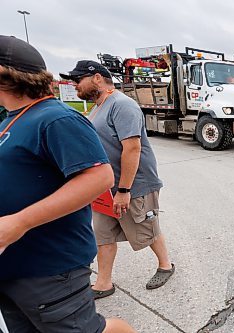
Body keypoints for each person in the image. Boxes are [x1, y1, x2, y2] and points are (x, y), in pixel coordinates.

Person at [0, 36, 135, 332]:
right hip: (13, 267)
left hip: (48, 267)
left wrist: (18, 222)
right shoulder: (11, 121)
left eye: (78, 80)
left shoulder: (54, 117)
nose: (74, 85)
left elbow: (101, 175)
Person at [61, 60, 175, 299]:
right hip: (105, 187)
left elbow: (132, 148)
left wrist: (124, 189)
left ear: (97, 78)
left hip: (134, 185)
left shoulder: (122, 105)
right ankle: (103, 283)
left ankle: (166, 265)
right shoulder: (97, 106)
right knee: (103, 234)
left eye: (77, 80)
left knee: (146, 228)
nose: (75, 86)